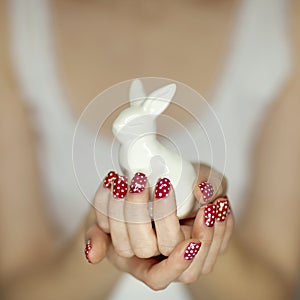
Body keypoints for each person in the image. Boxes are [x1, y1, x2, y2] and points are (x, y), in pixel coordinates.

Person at [1, 0, 299, 299]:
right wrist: (109, 240)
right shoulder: (15, 21)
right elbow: (18, 289)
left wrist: (201, 233)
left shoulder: (282, 21)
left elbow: (274, 289)